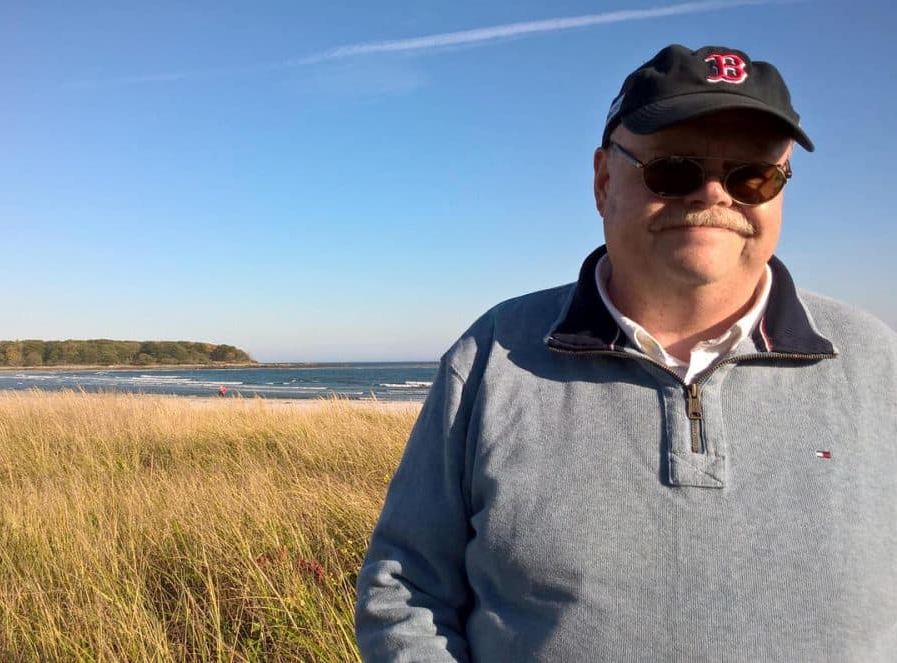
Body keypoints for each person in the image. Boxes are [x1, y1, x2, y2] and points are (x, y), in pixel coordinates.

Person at [355, 44, 897, 662]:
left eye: (752, 174)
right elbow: (406, 588)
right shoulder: (493, 353)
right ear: (604, 180)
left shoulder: (876, 362)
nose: (714, 196)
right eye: (674, 169)